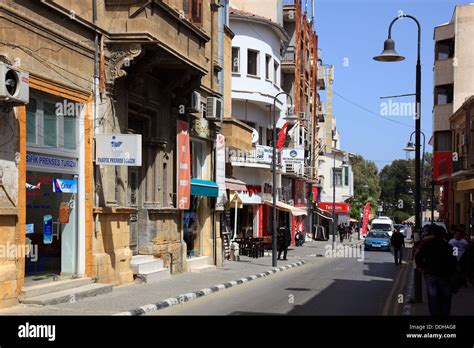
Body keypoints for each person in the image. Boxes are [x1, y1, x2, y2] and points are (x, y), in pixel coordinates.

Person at [415, 225, 458, 316]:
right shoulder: (449, 246)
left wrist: (422, 267)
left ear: (433, 234)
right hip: (445, 275)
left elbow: (418, 256)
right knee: (446, 298)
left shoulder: (427, 245)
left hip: (430, 274)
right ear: (443, 235)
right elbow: (454, 261)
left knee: (433, 297)